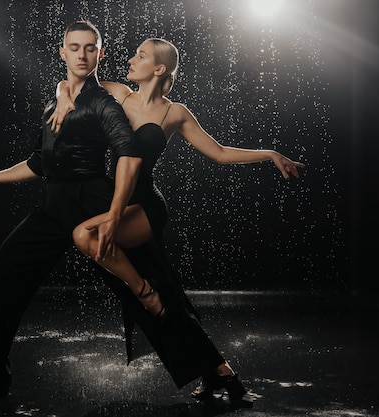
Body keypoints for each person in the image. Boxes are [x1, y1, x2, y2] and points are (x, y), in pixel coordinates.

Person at [48, 37, 305, 406]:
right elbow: (71, 81)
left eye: (141, 56)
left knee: (86, 238)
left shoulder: (175, 112)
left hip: (145, 209)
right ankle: (219, 372)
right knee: (168, 299)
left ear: (159, 69)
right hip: (113, 201)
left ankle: (147, 294)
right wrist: (61, 98)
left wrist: (269, 153)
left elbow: (218, 152)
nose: (131, 59)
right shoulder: (117, 94)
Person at [0, 21, 143, 408]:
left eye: (91, 48)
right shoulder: (54, 101)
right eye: (75, 48)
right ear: (63, 53)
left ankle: (211, 368)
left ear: (100, 54)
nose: (83, 55)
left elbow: (128, 150)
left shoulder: (104, 101)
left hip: (93, 202)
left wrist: (115, 212)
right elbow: (40, 162)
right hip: (54, 206)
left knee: (148, 288)